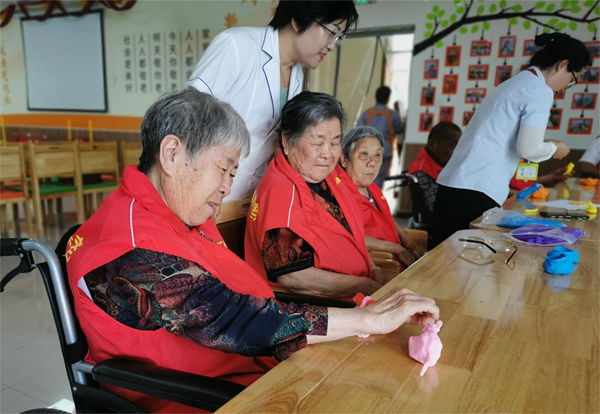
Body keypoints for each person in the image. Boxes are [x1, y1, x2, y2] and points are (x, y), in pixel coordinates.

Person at [66, 89, 440, 413]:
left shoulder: (178, 210)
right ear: (173, 154)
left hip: (257, 362)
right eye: (225, 170)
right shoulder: (128, 248)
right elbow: (237, 320)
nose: (227, 188)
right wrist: (368, 319)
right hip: (201, 397)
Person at [187, 0, 358, 202]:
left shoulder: (296, 76)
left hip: (249, 200)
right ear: (298, 20)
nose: (332, 45)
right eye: (331, 32)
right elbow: (187, 120)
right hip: (202, 195)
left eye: (338, 38)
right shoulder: (238, 46)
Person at [433, 32, 591, 247]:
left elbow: (504, 136)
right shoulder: (540, 90)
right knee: (467, 268)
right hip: (476, 189)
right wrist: (555, 148)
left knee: (439, 265)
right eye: (572, 79)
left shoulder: (515, 82)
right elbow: (528, 149)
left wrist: (547, 145)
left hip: (451, 187)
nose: (565, 88)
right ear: (562, 65)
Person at [245, 92, 386, 299]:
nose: (327, 153)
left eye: (335, 142)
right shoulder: (280, 193)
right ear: (287, 141)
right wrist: (365, 285)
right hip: (314, 307)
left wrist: (372, 267)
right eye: (318, 142)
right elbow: (294, 277)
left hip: (356, 293)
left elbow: (350, 231)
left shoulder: (329, 175)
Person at [337, 126, 427, 269]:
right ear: (344, 158)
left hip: (398, 260)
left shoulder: (370, 186)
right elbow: (344, 236)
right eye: (364, 154)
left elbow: (383, 215)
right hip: (383, 266)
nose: (372, 162)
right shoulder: (338, 192)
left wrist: (406, 238)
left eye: (377, 155)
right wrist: (397, 249)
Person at [408, 121, 462, 217]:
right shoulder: (422, 170)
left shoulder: (443, 166)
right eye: (453, 145)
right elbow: (437, 208)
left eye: (460, 146)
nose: (457, 152)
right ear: (433, 145)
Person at [357, 86, 403, 188]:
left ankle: (364, 199)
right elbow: (399, 129)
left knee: (365, 175)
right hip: (384, 150)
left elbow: (358, 130)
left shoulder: (367, 113)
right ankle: (375, 200)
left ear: (376, 97)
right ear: (388, 98)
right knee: (378, 177)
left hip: (366, 150)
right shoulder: (393, 115)